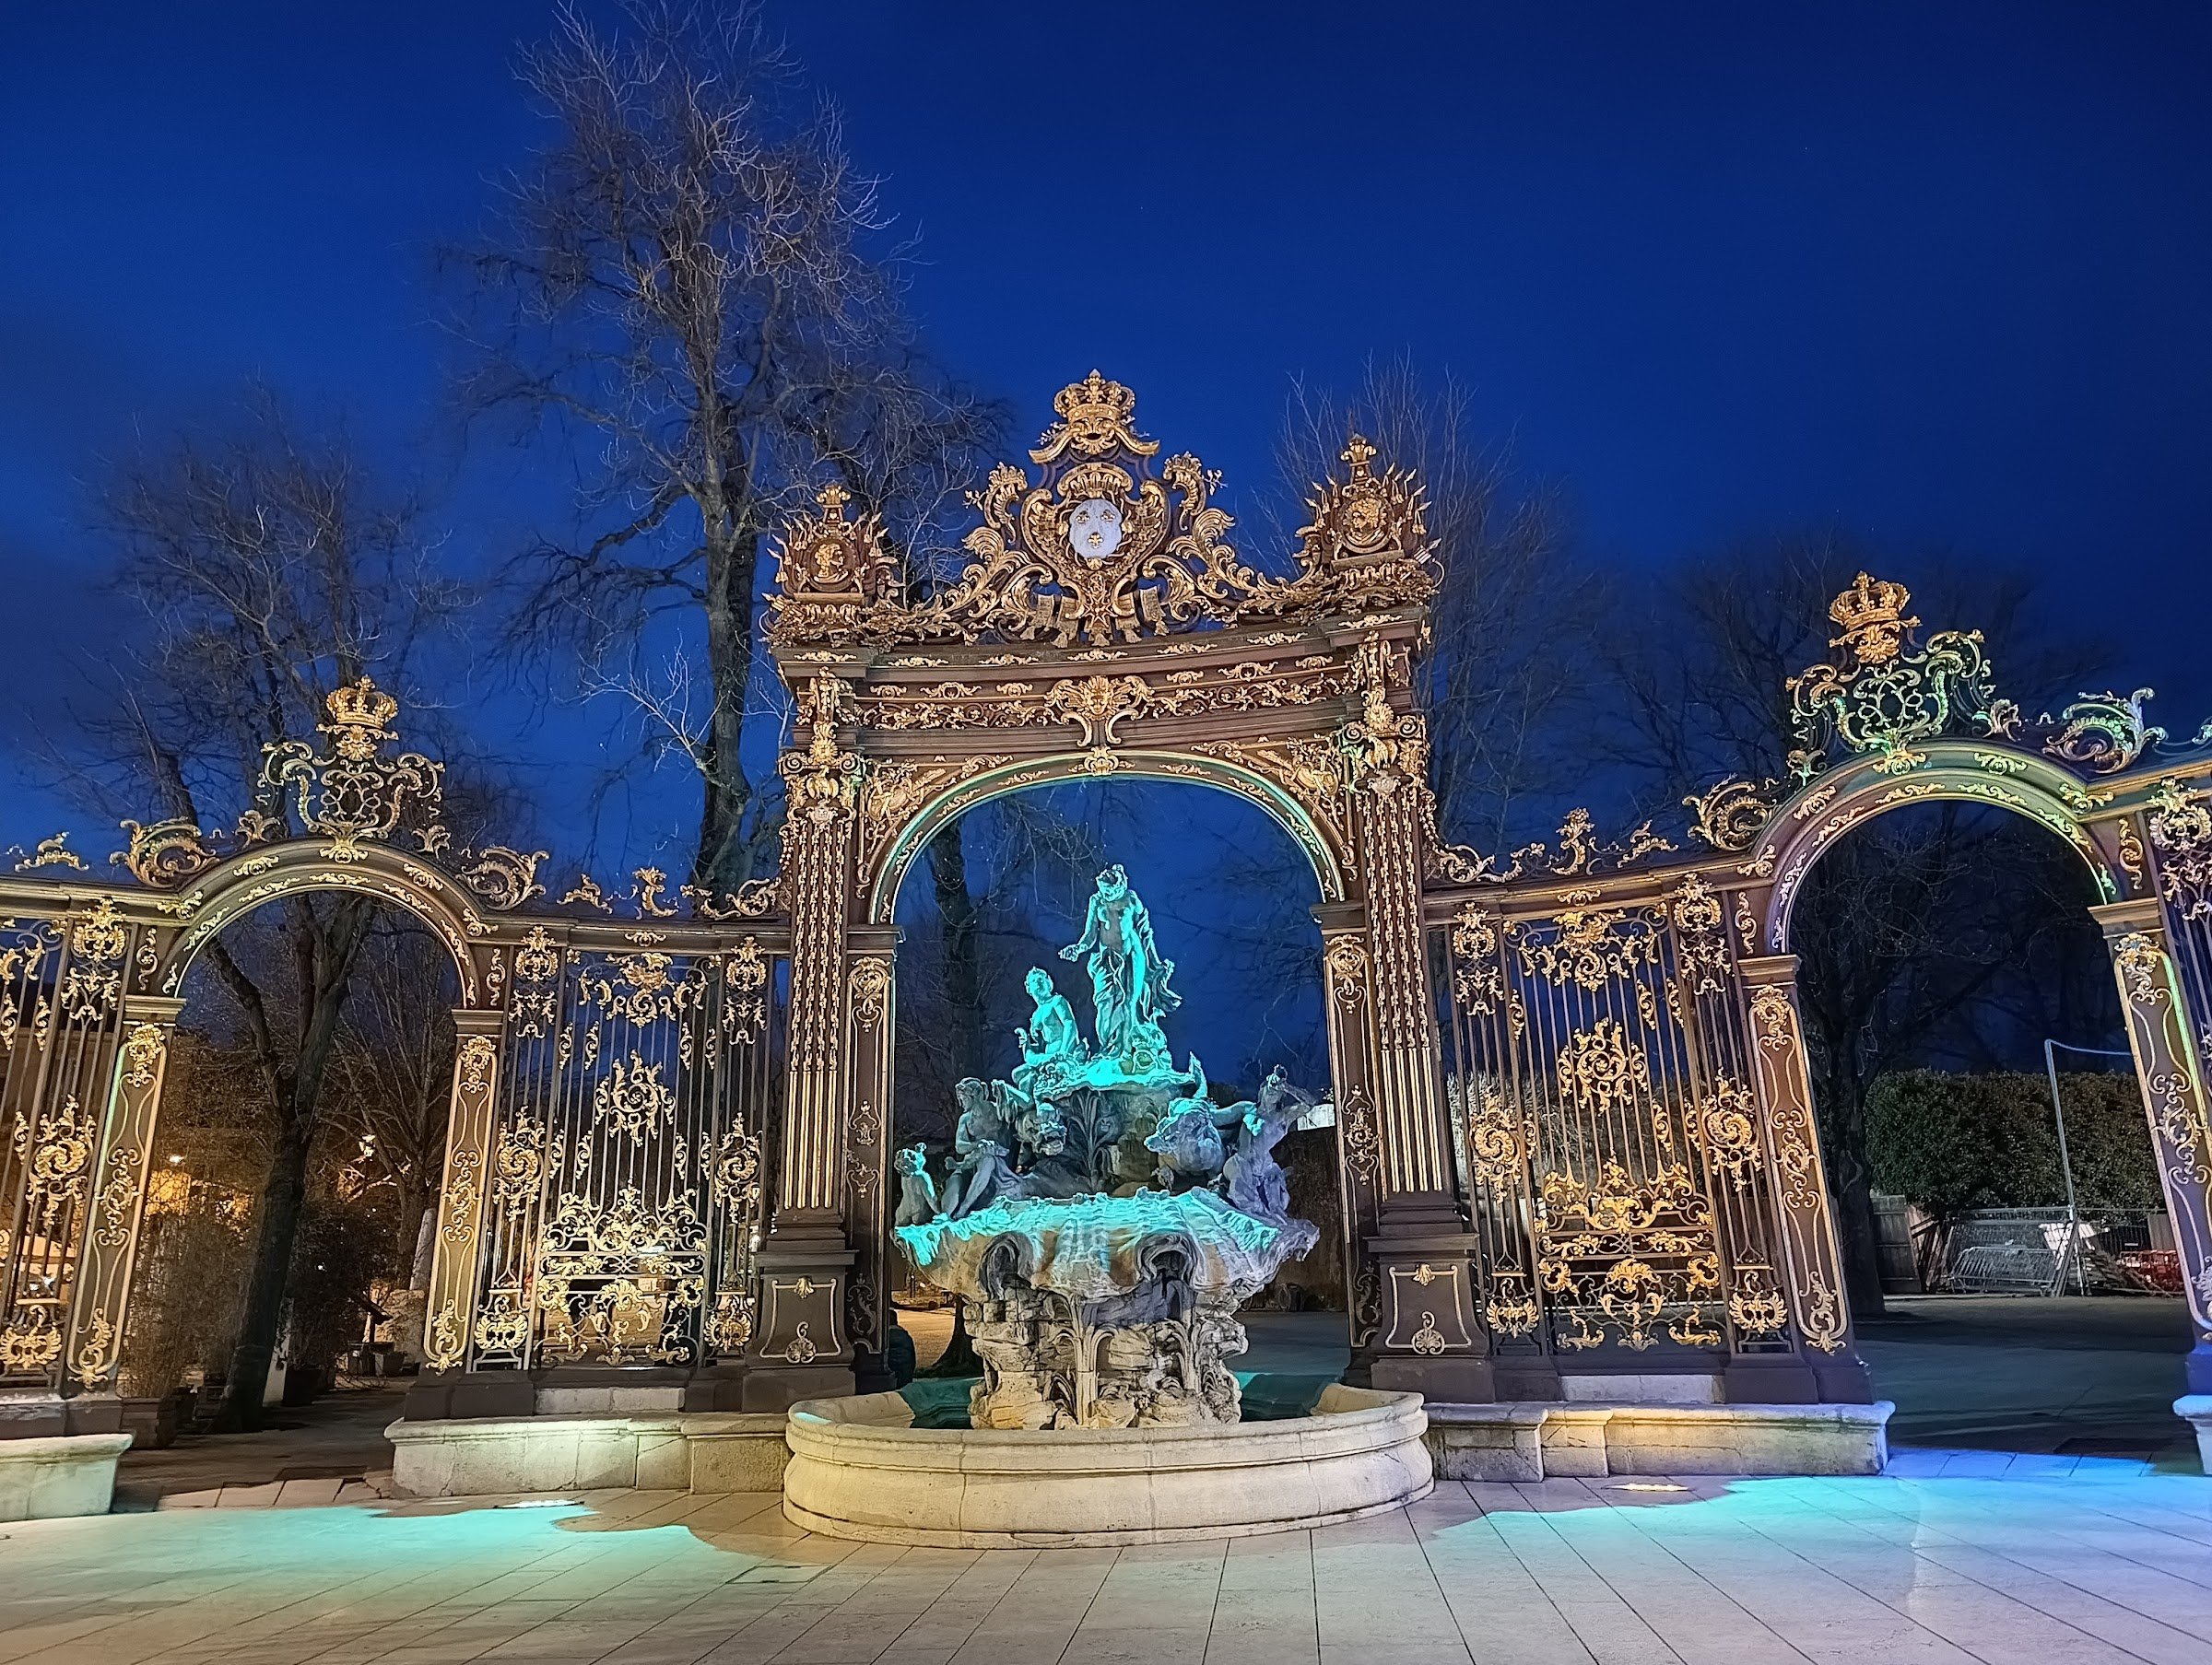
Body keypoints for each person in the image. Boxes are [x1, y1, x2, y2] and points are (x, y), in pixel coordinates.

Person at [1059, 864, 1182, 1070]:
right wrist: (1078, 949)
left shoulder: (1132, 899)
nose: (1107, 895)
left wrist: (1155, 962)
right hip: (1105, 959)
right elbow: (1090, 935)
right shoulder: (1096, 901)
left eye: (1111, 891)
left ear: (1121, 885)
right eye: (1104, 891)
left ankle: (1127, 1052)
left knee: (1130, 1005)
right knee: (1105, 1005)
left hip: (1133, 955)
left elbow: (1144, 931)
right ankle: (1108, 1049)